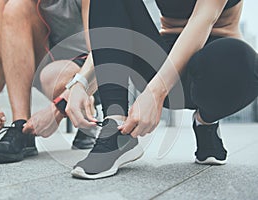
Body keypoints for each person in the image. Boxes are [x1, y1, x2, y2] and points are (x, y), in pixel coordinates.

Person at [66, 0, 258, 179]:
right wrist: (81, 83)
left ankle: (205, 122)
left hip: (217, 70)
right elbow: (111, 30)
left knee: (239, 58)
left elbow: (203, 20)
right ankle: (115, 130)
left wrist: (155, 92)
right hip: (163, 63)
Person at [0, 0, 98, 163]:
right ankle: (21, 128)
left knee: (51, 76)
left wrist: (57, 107)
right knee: (15, 7)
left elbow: (101, 53)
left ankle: (88, 112)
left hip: (91, 67)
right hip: (50, 59)